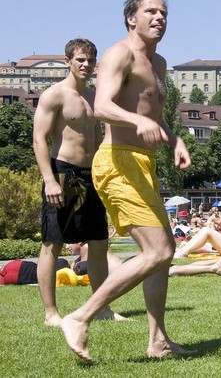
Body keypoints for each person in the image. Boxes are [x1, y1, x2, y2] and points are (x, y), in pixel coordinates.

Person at [59, 0, 193, 362]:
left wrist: (174, 139)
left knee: (163, 254)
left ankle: (158, 341)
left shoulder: (159, 62)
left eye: (164, 12)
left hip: (143, 162)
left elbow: (152, 114)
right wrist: (139, 122)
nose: (160, 17)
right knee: (159, 250)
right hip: (117, 162)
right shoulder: (120, 54)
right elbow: (102, 105)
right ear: (131, 19)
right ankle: (80, 316)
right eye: (151, 11)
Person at [32, 38, 122, 327]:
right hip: (62, 173)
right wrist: (49, 180)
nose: (86, 65)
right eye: (80, 60)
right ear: (67, 61)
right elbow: (39, 139)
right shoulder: (54, 95)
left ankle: (102, 308)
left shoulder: (96, 98)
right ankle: (51, 314)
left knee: (98, 242)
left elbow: (99, 139)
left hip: (92, 174)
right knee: (53, 243)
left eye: (90, 60)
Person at [69, 242, 221, 277]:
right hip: (129, 264)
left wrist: (73, 265)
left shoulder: (86, 248)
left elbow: (83, 269)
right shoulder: (90, 247)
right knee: (173, 267)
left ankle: (213, 268)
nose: (68, 247)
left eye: (70, 243)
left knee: (172, 271)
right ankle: (219, 261)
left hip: (129, 267)